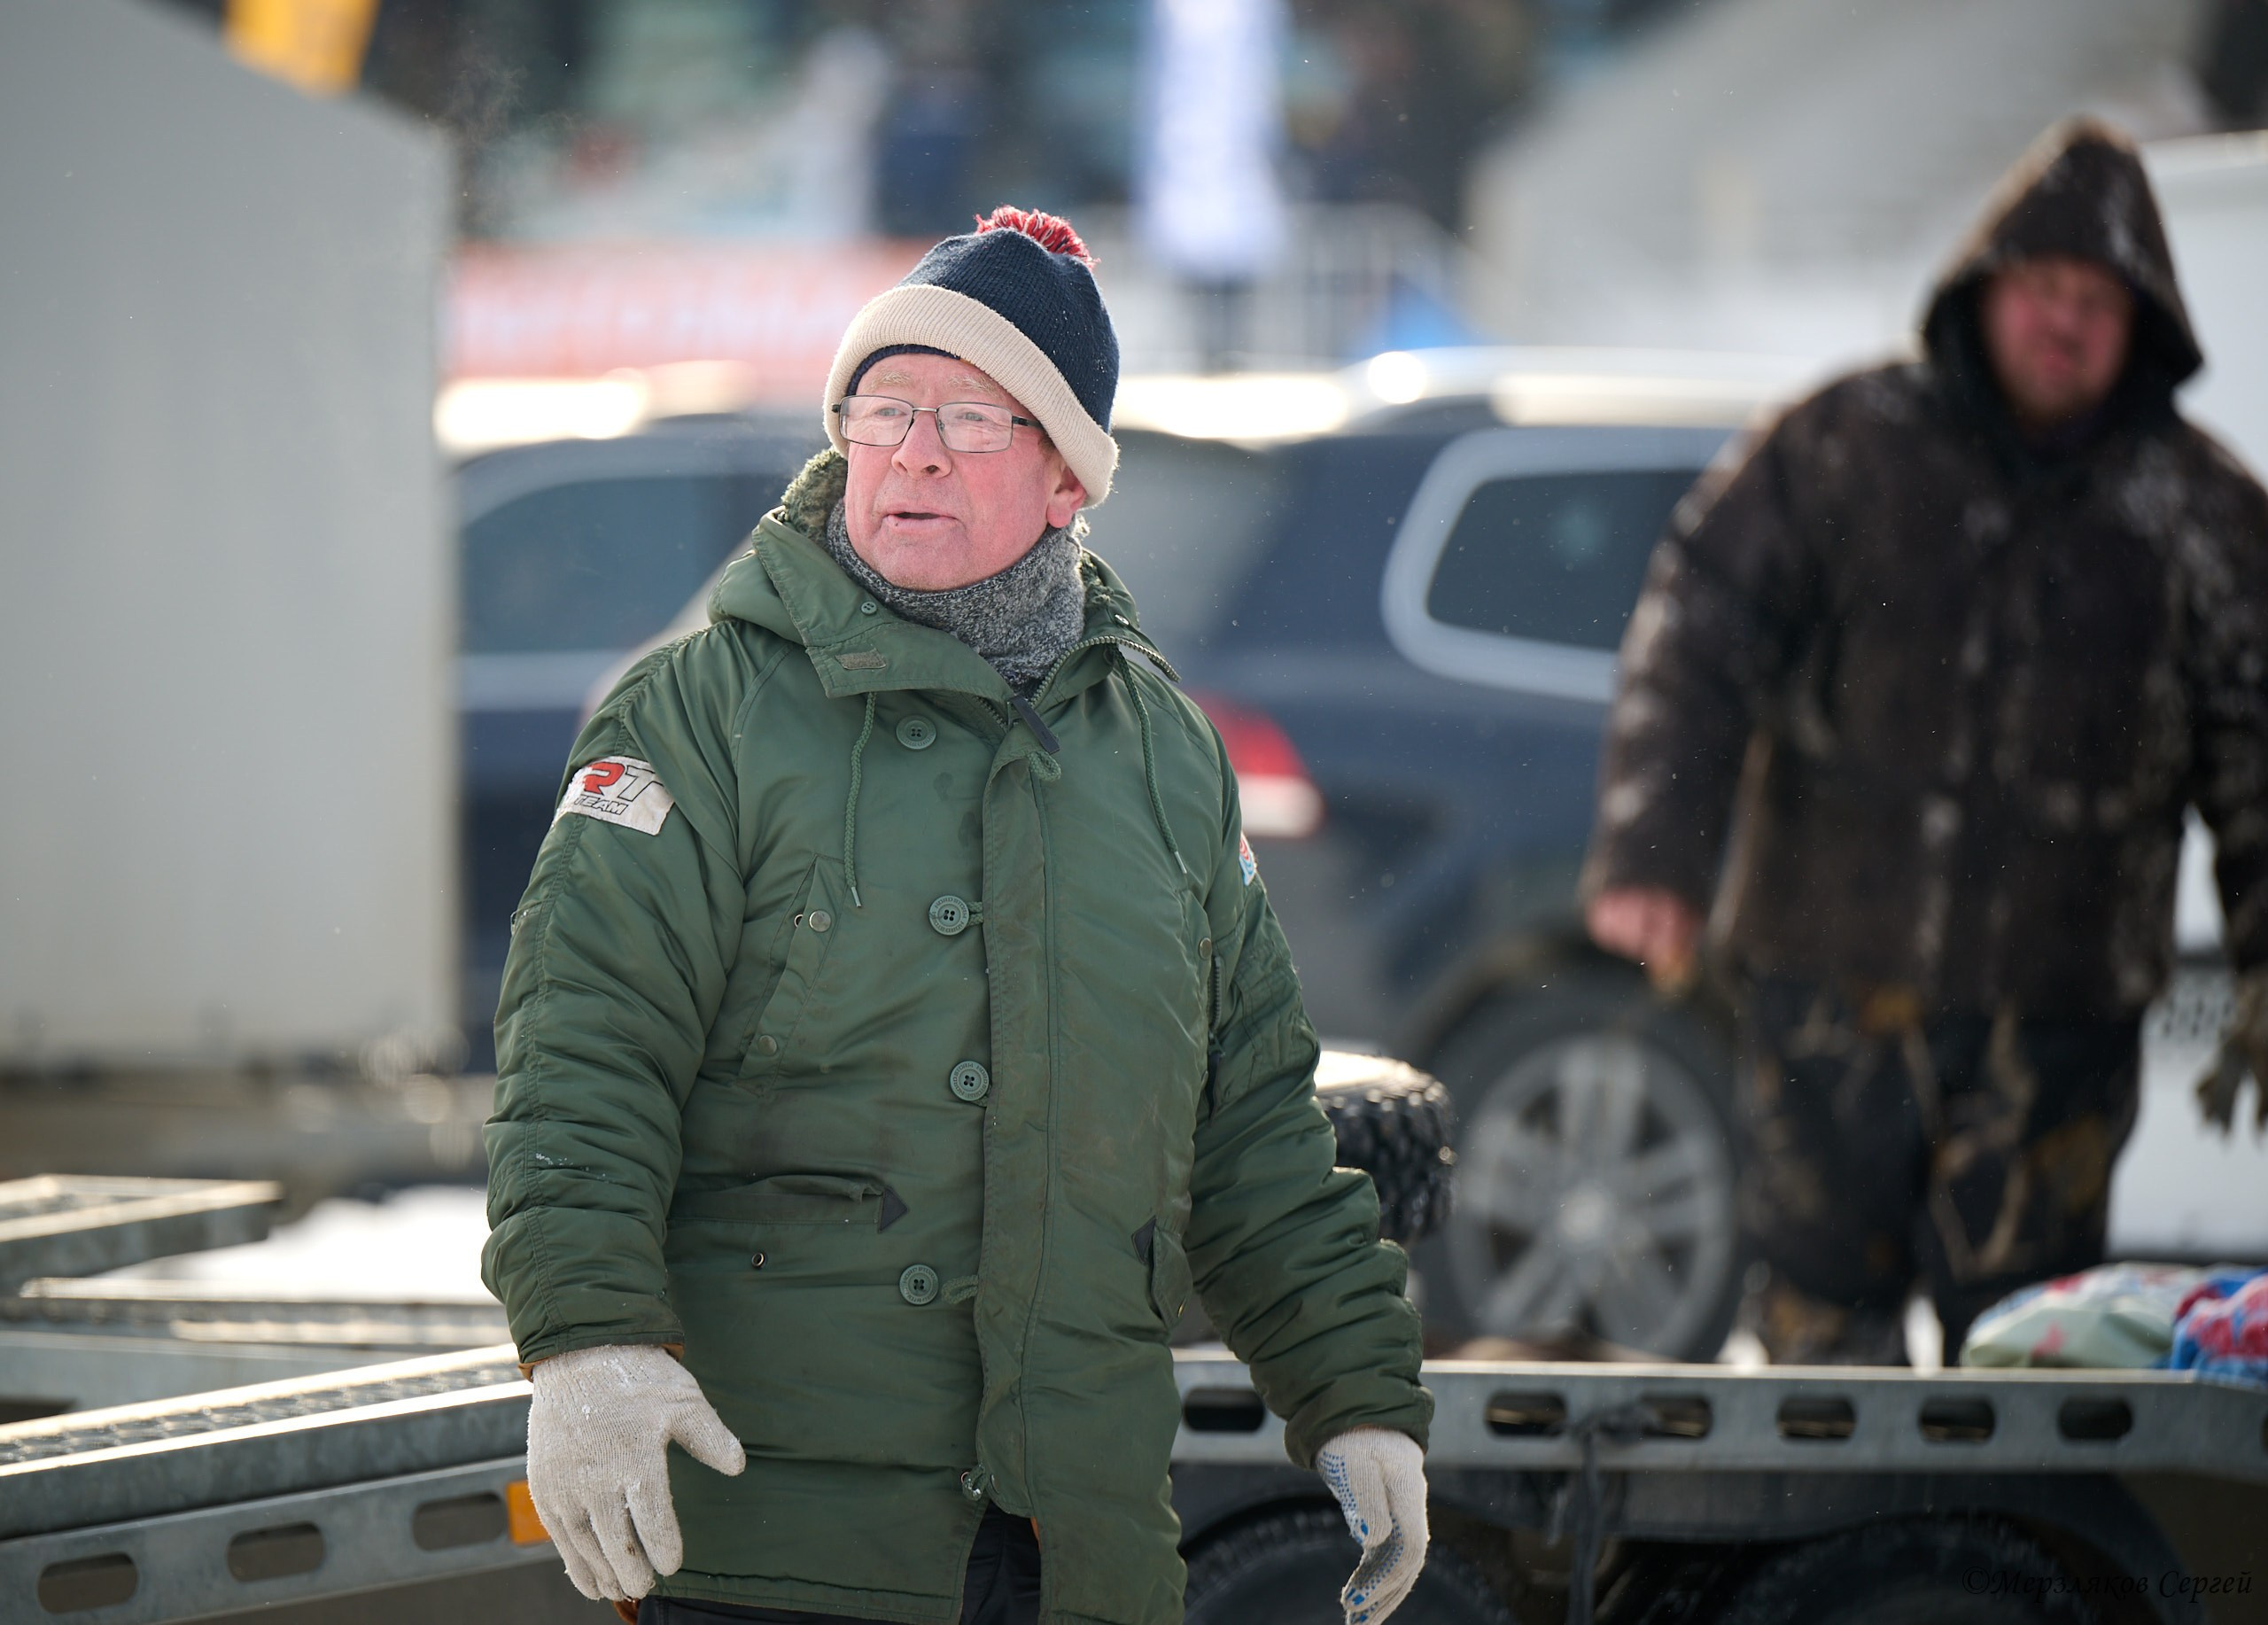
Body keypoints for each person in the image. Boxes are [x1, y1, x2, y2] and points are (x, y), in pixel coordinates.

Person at [481, 206, 1433, 1625]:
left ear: (1068, 478)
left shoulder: (1162, 753)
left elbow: (1250, 1131)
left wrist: (1353, 1390)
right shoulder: (701, 712)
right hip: (786, 1549)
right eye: (883, 406)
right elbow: (584, 1048)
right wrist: (591, 1339)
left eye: (972, 421)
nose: (912, 449)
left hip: (1082, 1552)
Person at [1581, 120, 2268, 1365]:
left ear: (2143, 326)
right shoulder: (1843, 444)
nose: (2065, 322)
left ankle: (1994, 1571)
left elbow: (2260, 743)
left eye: (2098, 303)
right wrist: (1656, 850)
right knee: (1815, 1333)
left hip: (2058, 1020)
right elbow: (1698, 626)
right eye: (2043, 289)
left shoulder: (2203, 513)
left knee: (2034, 1352)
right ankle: (1833, 1567)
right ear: (1984, 290)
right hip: (1830, 986)